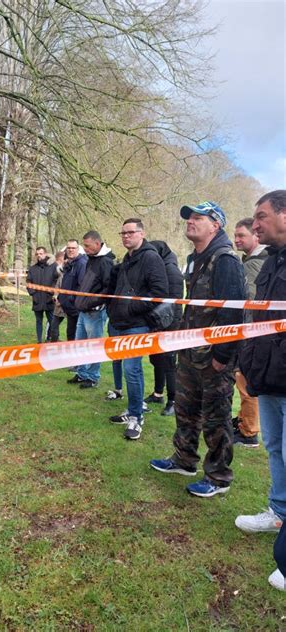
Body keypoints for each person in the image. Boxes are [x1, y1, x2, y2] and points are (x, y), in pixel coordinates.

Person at [150, 201, 246, 497]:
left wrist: (222, 356)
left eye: (197, 218)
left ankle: (218, 477)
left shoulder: (225, 260)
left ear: (215, 225)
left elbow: (233, 311)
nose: (190, 222)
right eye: (188, 218)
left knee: (216, 417)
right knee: (185, 409)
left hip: (214, 358)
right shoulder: (194, 259)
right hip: (190, 352)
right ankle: (184, 459)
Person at [236, 190, 286, 591]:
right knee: (274, 449)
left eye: (262, 216)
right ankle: (278, 512)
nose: (255, 225)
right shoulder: (271, 262)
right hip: (268, 378)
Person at [106, 220, 169, 440]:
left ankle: (136, 418)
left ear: (142, 234)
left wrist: (131, 308)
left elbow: (160, 292)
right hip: (121, 322)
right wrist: (113, 307)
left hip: (138, 323)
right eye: (122, 232)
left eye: (130, 232)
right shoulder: (127, 259)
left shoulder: (151, 258)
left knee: (132, 370)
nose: (125, 236)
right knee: (128, 369)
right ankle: (134, 409)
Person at [232, 218, 268, 447]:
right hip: (252, 332)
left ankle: (249, 432)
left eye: (241, 236)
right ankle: (244, 421)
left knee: (246, 383)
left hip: (252, 333)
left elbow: (250, 301)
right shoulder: (252, 261)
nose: (237, 240)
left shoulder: (256, 264)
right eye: (235, 236)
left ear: (256, 236)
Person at [67, 230, 114, 388]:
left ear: (97, 243)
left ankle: (93, 377)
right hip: (83, 310)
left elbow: (108, 289)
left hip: (95, 312)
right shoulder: (90, 259)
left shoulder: (106, 262)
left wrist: (91, 302)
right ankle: (82, 373)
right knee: (79, 343)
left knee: (94, 346)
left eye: (87, 246)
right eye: (84, 246)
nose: (84, 249)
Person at [144, 240, 184, 417]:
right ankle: (158, 393)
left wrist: (168, 327)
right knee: (156, 359)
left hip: (169, 325)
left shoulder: (172, 271)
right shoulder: (158, 268)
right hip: (156, 323)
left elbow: (174, 304)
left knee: (169, 363)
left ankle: (173, 401)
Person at [26, 246, 58, 343]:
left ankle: (53, 340)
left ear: (45, 254)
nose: (39, 256)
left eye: (41, 253)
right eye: (37, 254)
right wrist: (33, 294)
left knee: (53, 322)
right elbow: (28, 282)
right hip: (37, 300)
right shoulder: (33, 268)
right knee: (38, 321)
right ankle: (39, 341)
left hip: (49, 299)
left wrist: (52, 292)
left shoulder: (53, 266)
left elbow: (56, 280)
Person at [58, 240, 87, 341]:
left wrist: (72, 300)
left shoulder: (81, 264)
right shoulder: (69, 264)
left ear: (78, 249)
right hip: (68, 308)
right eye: (68, 248)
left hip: (76, 308)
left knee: (75, 336)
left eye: (73, 248)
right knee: (70, 334)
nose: (70, 250)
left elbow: (82, 286)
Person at [48, 251, 66, 342]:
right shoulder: (58, 271)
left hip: (69, 304)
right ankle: (53, 341)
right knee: (54, 325)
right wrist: (55, 296)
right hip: (58, 304)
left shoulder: (70, 271)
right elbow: (57, 286)